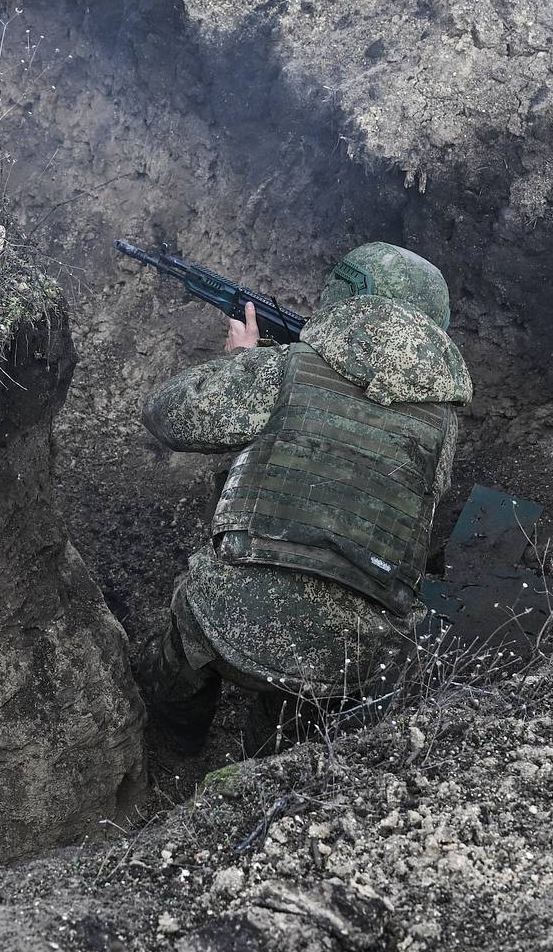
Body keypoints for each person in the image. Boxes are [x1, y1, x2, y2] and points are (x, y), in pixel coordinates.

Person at [139, 242, 472, 755]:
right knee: (288, 741)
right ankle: (260, 776)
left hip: (230, 620)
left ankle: (174, 746)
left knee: (180, 655)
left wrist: (244, 362)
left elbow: (165, 414)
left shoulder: (286, 367)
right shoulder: (444, 425)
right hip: (350, 660)